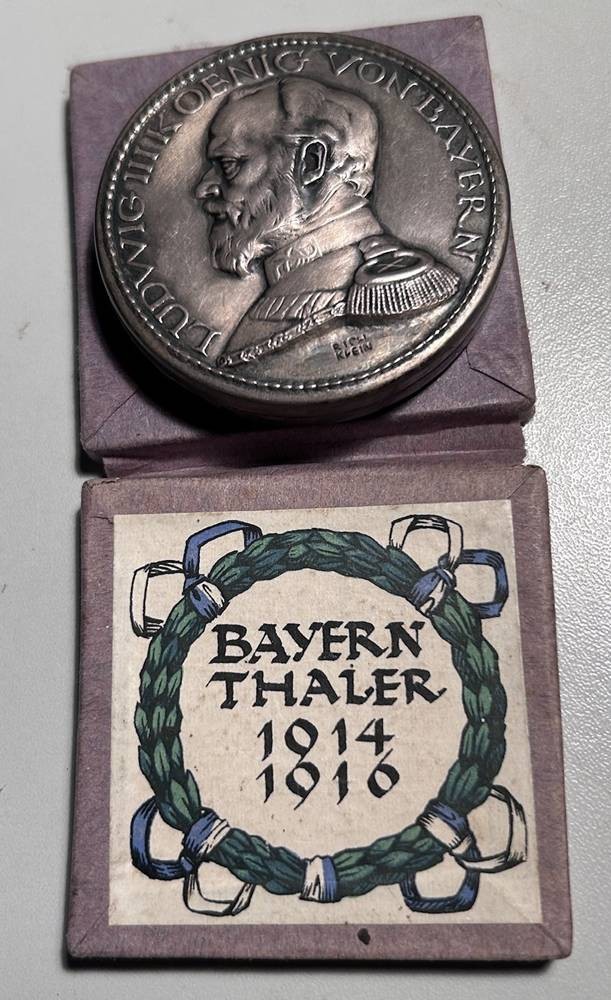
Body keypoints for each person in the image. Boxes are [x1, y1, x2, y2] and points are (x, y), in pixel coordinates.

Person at [195, 76, 459, 367]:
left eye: (229, 164)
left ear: (310, 162)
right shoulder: (290, 293)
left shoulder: (390, 293)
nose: (204, 188)